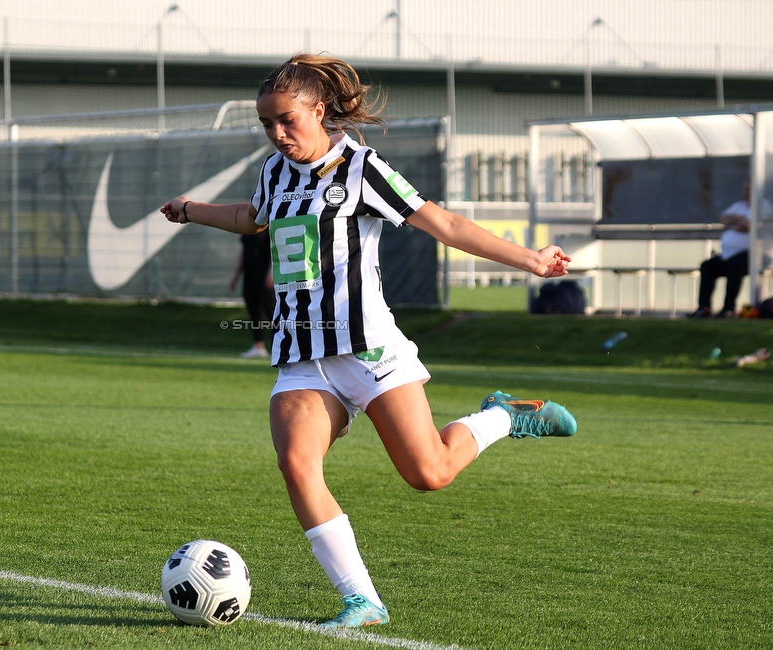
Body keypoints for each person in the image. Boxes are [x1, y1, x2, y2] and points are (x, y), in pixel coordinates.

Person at [161, 53, 578, 629]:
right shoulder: (275, 171)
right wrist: (191, 210)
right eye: (266, 125)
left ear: (320, 109)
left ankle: (504, 416)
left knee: (428, 473)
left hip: (369, 350)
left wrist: (529, 258)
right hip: (302, 356)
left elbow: (446, 225)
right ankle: (362, 600)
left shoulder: (361, 168)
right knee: (297, 464)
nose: (278, 134)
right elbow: (252, 216)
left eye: (288, 120)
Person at [689, 181, 756, 318]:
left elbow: (748, 227)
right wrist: (739, 221)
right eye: (745, 189)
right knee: (708, 266)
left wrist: (734, 222)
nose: (746, 193)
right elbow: (723, 218)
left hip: (754, 256)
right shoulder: (739, 206)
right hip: (729, 255)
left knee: (735, 265)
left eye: (749, 190)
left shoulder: (763, 207)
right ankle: (704, 309)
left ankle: (728, 309)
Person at [229, 229, 276, 358]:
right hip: (249, 275)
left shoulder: (269, 228)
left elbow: (275, 250)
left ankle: (280, 345)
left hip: (264, 275)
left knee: (272, 311)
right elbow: (244, 252)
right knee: (254, 310)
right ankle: (258, 346)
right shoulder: (248, 228)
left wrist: (271, 272)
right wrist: (236, 276)